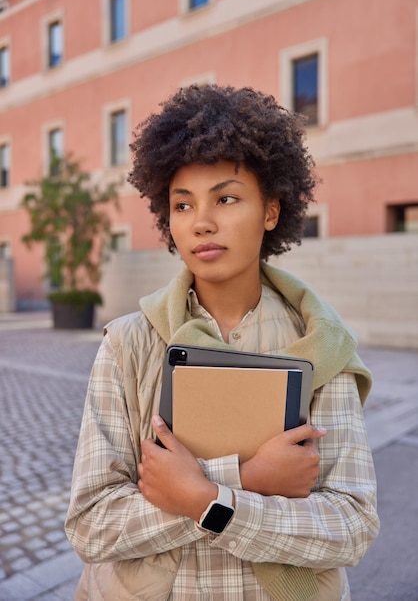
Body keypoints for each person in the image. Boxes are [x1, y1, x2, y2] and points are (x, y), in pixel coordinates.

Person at [65, 84, 379, 601]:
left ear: (271, 211)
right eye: (182, 205)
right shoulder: (126, 344)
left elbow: (350, 524)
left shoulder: (323, 346)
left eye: (226, 198)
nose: (201, 222)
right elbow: (91, 524)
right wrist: (246, 477)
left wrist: (206, 497)